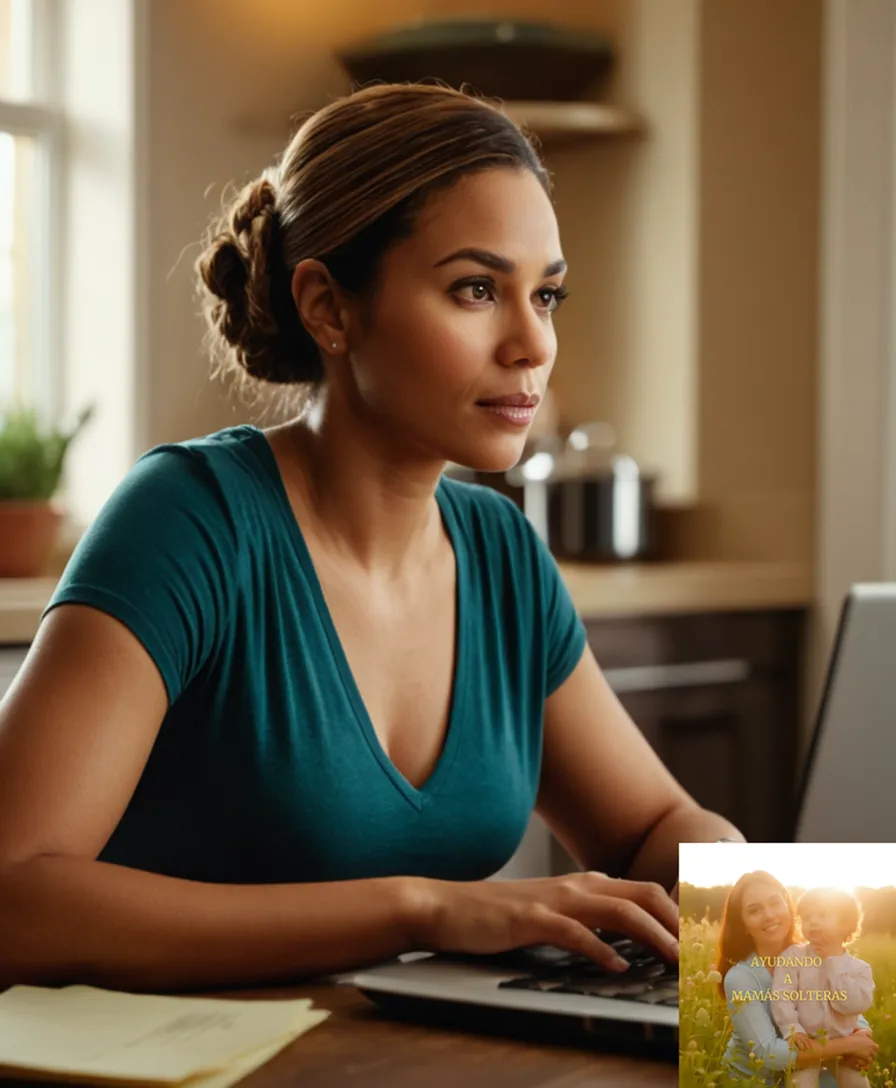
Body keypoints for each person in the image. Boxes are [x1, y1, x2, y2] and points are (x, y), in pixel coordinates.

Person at [0, 82, 742, 996]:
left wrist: (729, 872)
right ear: (329, 308)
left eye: (545, 295)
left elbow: (649, 824)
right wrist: (422, 908)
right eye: (476, 289)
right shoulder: (190, 520)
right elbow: (14, 897)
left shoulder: (501, 551)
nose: (531, 345)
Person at [717, 872, 878, 1085]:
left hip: (810, 1063)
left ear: (788, 906)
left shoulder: (816, 953)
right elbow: (768, 1054)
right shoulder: (740, 978)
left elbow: (838, 1003)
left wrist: (862, 1032)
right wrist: (849, 1045)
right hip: (757, 1079)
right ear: (743, 924)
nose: (769, 915)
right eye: (754, 910)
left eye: (775, 903)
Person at [770, 887, 874, 1088]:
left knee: (857, 1083)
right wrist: (793, 1030)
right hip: (808, 1044)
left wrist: (833, 962)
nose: (813, 922)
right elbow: (781, 997)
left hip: (844, 1049)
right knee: (801, 1083)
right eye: (807, 917)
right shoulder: (792, 958)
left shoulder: (859, 969)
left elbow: (852, 1006)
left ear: (845, 924)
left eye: (822, 915)